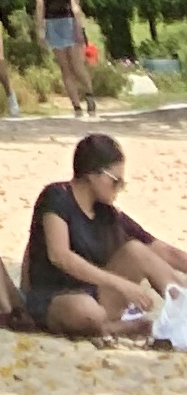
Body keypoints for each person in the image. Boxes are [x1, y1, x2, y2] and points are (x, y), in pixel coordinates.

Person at [19, 129, 187, 338]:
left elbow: (164, 251)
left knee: (136, 250)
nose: (120, 188)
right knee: (86, 311)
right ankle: (116, 328)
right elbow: (60, 256)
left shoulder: (106, 212)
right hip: (54, 297)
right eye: (115, 181)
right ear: (92, 174)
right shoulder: (56, 198)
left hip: (95, 294)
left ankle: (183, 309)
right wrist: (120, 284)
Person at [32, 0, 102, 116]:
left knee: (77, 65)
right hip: (52, 23)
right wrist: (40, 30)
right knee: (65, 67)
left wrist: (79, 27)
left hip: (69, 21)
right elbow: (40, 5)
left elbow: (75, 3)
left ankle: (89, 94)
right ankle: (76, 105)